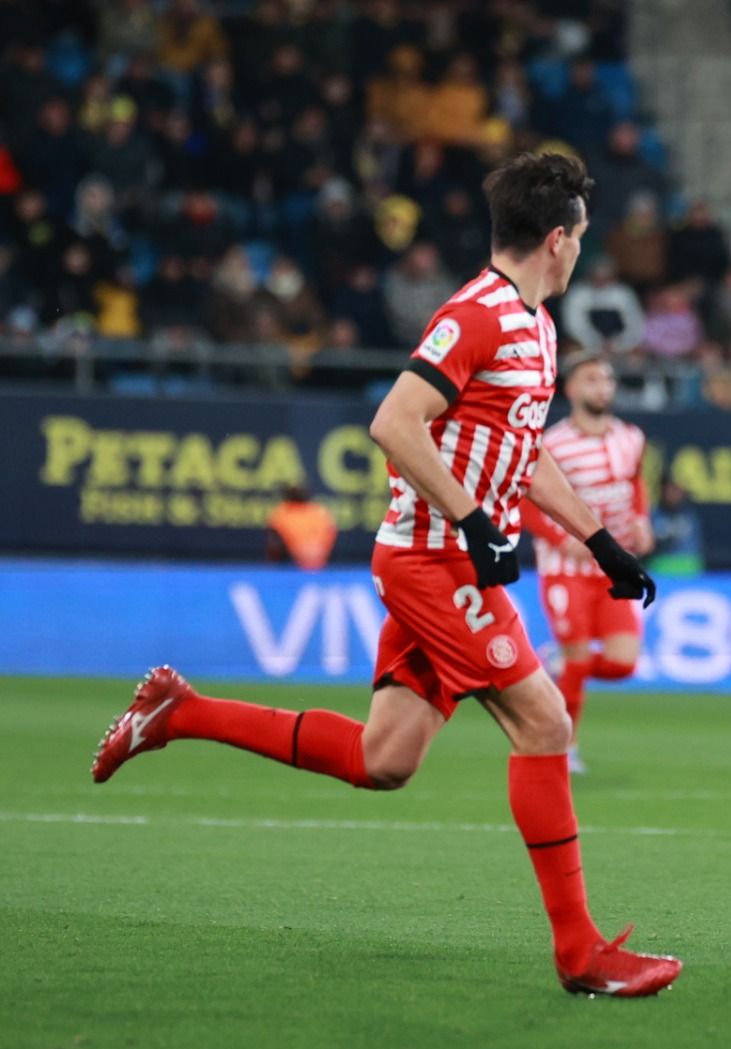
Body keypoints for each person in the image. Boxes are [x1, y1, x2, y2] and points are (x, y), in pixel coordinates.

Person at [90, 152, 682, 998]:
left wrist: (599, 540)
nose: (582, 251)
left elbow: (519, 454)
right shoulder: (476, 314)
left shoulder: (540, 326)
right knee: (546, 725)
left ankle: (180, 715)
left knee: (386, 758)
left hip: (449, 559)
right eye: (581, 237)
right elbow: (394, 421)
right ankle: (580, 953)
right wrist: (476, 523)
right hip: (436, 562)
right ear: (557, 239)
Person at [521, 353, 651, 775]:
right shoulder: (552, 444)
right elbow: (524, 499)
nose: (603, 387)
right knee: (577, 656)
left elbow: (633, 484)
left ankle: (559, 664)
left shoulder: (631, 437)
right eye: (592, 379)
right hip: (565, 567)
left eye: (608, 379)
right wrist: (562, 536)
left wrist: (641, 520)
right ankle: (567, 747)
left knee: (623, 661)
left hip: (609, 568)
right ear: (571, 389)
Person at [265, 485, 338, 570]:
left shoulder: (283, 512)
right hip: (317, 564)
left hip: (295, 564)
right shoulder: (320, 512)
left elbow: (274, 546)